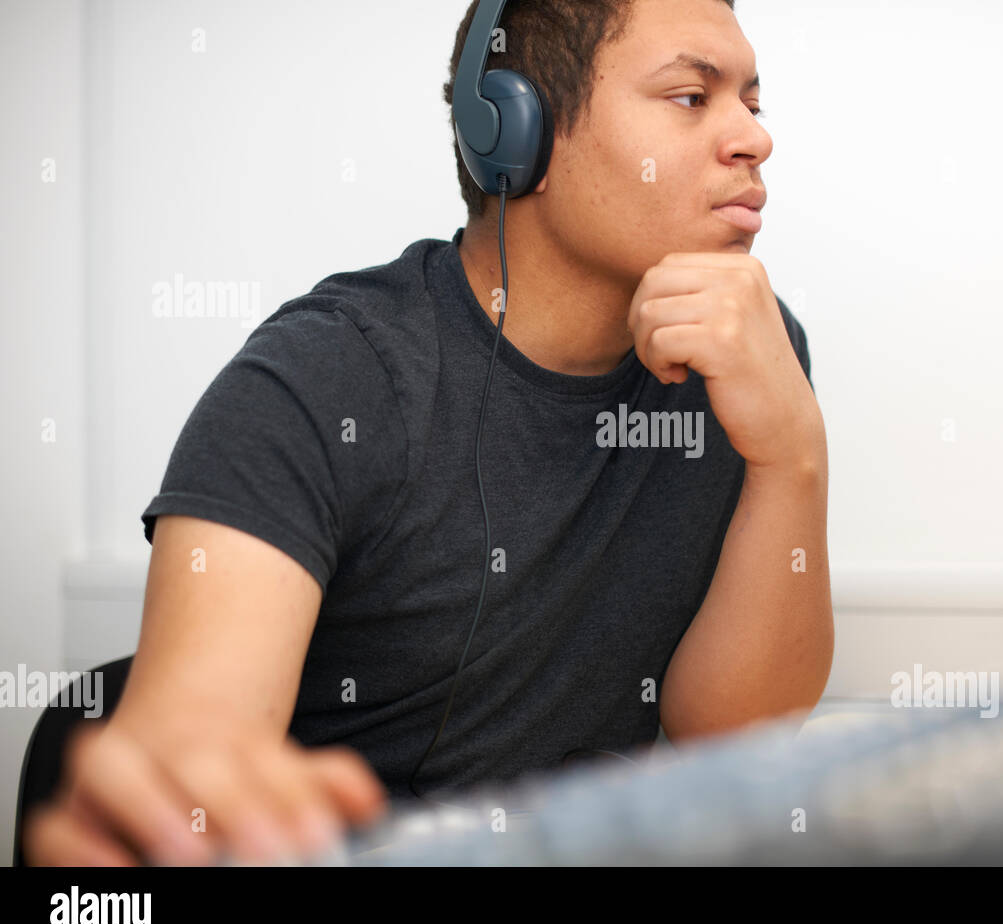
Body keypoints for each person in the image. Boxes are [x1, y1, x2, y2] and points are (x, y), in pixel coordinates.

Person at [23, 0, 831, 866]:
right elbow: (194, 761)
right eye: (689, 97)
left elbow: (727, 738)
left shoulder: (749, 355)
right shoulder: (326, 377)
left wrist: (794, 456)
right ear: (518, 132)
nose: (753, 138)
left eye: (752, 100)